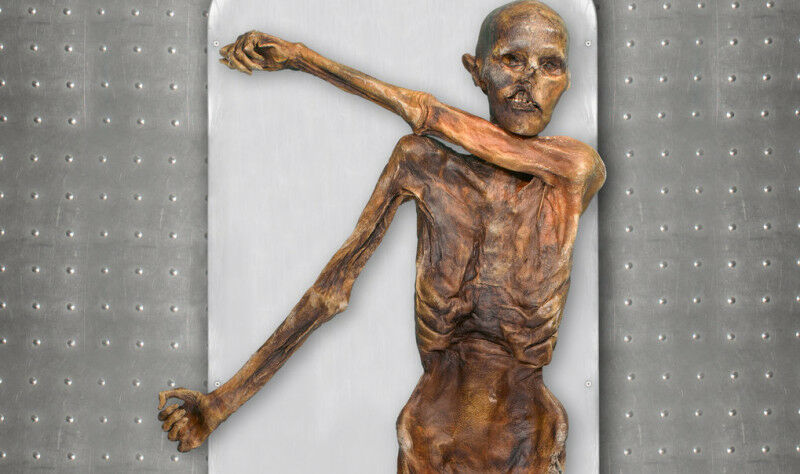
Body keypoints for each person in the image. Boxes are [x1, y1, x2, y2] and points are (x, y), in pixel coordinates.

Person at [158, 1, 605, 472]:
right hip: (429, 441)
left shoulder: (574, 171)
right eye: (511, 60)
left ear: (567, 81)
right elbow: (328, 293)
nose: (528, 81)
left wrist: (303, 58)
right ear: (477, 72)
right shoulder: (422, 166)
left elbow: (434, 116)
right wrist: (219, 404)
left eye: (550, 65)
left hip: (527, 442)